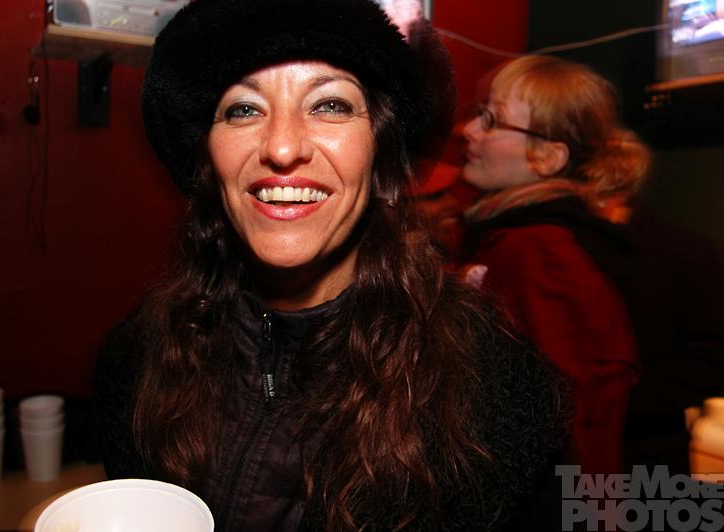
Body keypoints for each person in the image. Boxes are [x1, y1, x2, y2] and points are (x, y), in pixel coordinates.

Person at [92, 2, 569, 530]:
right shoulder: (135, 366)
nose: (281, 147)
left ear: (380, 154)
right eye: (244, 109)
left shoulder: (490, 394)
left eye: (330, 105)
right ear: (209, 160)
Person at [459, 55, 647, 476]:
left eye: (491, 120)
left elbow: (563, 420)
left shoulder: (541, 252)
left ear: (546, 156)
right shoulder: (511, 237)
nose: (469, 129)